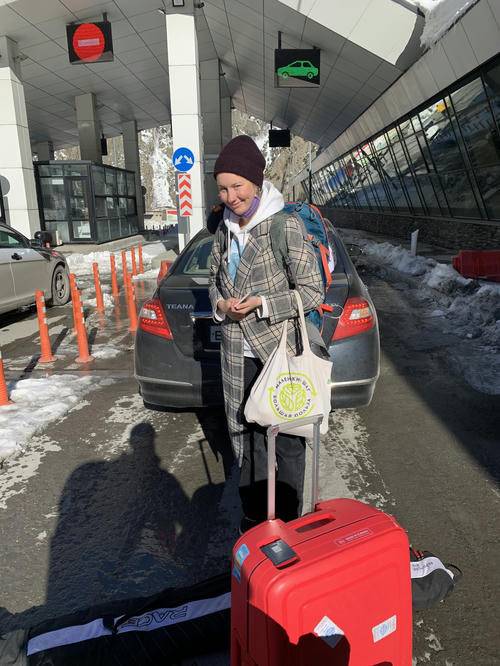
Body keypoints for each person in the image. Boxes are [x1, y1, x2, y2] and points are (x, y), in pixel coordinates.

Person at [208, 135, 324, 534]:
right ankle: (256, 518)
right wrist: (221, 304)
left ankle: (291, 519)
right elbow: (213, 282)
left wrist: (262, 302)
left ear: (256, 182)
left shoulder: (283, 225)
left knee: (287, 439)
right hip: (236, 352)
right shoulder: (223, 229)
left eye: (237, 185)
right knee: (248, 433)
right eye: (223, 188)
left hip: (279, 351)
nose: (231, 196)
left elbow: (313, 290)